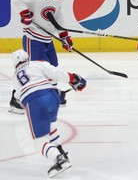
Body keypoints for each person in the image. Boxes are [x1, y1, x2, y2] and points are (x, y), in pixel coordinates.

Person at [12, 49, 86, 178]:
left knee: (39, 141)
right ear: (27, 58)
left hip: (35, 102)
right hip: (52, 96)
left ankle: (59, 159)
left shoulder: (14, 77)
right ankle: (60, 150)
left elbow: (19, 99)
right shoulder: (36, 63)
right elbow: (56, 73)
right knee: (51, 125)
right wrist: (74, 78)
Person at [10, 0, 73, 114]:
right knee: (34, 72)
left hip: (47, 40)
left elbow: (59, 19)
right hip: (33, 38)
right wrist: (25, 14)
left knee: (53, 68)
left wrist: (65, 37)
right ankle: (17, 99)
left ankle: (50, 95)